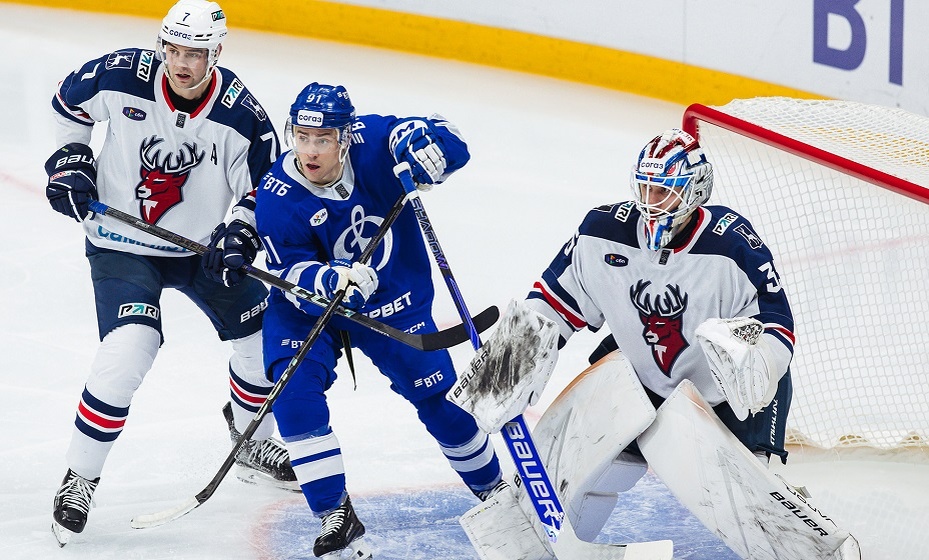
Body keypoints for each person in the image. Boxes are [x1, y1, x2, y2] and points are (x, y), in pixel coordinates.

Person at [454, 129, 858, 559]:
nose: (651, 202)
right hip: (640, 376)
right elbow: (553, 304)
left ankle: (808, 538)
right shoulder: (601, 233)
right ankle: (539, 548)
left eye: (664, 192)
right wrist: (509, 363)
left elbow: (777, 327)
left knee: (754, 509)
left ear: (694, 191)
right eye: (645, 188)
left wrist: (755, 371)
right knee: (590, 475)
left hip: (726, 396)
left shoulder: (732, 245)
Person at [45, 0, 297, 546]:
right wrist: (70, 159)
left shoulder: (241, 117)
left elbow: (265, 189)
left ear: (217, 52)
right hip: (122, 244)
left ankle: (249, 438)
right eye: (175, 50)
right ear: (162, 46)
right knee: (129, 349)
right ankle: (80, 476)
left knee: (263, 342)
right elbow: (67, 106)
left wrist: (241, 231)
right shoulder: (120, 75)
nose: (183, 64)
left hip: (202, 250)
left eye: (196, 53)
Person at [253, 82, 505, 558]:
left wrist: (430, 150)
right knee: (292, 393)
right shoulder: (278, 193)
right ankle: (335, 513)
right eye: (301, 136)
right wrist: (328, 281)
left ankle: (497, 495)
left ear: (346, 138)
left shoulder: (376, 143)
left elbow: (452, 144)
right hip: (310, 308)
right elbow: (286, 268)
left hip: (390, 293)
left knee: (442, 402)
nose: (309, 149)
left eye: (323, 138)